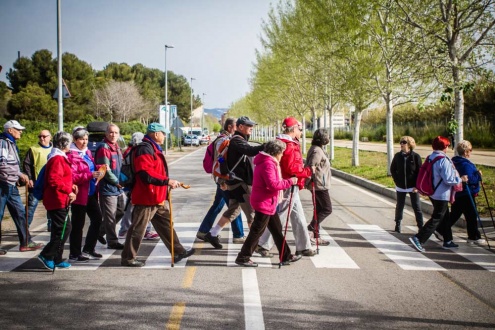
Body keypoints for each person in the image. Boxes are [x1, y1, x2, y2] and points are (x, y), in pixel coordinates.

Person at [121, 123, 195, 267]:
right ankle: (128, 258)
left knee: (166, 225)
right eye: (163, 133)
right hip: (147, 196)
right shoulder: (145, 148)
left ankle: (178, 251)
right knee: (138, 228)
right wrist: (167, 181)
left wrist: (166, 184)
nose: (165, 136)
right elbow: (145, 174)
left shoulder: (152, 147)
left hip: (156, 196)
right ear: (156, 134)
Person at [235, 140, 301, 267]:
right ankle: (243, 257)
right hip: (263, 202)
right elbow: (273, 185)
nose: (282, 156)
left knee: (276, 231)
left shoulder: (268, 161)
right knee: (257, 231)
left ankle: (286, 255)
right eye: (281, 153)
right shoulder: (268, 164)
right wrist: (290, 182)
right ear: (276, 152)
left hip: (267, 202)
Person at [257, 117, 315, 257]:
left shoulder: (283, 142)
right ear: (294, 129)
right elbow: (291, 168)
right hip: (288, 183)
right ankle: (263, 244)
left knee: (298, 215)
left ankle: (304, 246)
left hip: (287, 183)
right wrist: (308, 171)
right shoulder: (289, 145)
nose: (301, 132)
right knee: (282, 215)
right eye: (300, 129)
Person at [203, 116, 264, 249]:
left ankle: (212, 234)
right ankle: (256, 245)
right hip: (241, 184)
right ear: (240, 127)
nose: (251, 128)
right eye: (249, 126)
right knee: (252, 214)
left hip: (234, 182)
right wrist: (266, 146)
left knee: (233, 211)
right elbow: (250, 151)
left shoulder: (237, 140)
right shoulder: (237, 141)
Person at [409, 136, 468, 253]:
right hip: (441, 194)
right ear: (444, 146)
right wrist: (461, 179)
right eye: (447, 145)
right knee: (437, 218)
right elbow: (449, 179)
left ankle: (448, 241)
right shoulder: (443, 160)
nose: (448, 147)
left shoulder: (431, 157)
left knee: (445, 217)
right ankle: (419, 238)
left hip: (433, 193)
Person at [196, 118, 244, 243]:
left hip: (220, 178)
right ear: (229, 127)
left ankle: (203, 230)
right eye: (237, 127)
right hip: (223, 179)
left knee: (218, 205)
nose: (239, 129)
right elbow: (221, 160)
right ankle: (238, 235)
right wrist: (224, 178)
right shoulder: (224, 140)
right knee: (234, 206)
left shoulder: (223, 139)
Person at [0, 120, 44, 254]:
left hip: (11, 184)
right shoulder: (3, 143)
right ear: (9, 130)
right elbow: (2, 164)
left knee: (20, 213)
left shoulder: (11, 143)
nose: (21, 131)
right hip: (2, 184)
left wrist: (17, 176)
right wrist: (20, 174)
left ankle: (26, 242)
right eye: (18, 129)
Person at [37, 131, 77, 270]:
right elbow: (54, 180)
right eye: (70, 142)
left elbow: (61, 178)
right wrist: (69, 190)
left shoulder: (58, 157)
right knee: (63, 229)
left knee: (61, 228)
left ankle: (57, 258)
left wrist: (70, 186)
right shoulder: (57, 158)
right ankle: (47, 254)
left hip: (60, 199)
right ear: (65, 144)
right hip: (57, 199)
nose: (71, 145)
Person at [67, 127, 105, 262]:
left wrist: (100, 170)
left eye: (86, 139)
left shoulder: (87, 152)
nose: (84, 142)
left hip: (91, 192)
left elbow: (92, 168)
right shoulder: (71, 154)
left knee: (97, 219)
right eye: (81, 139)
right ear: (75, 140)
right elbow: (72, 177)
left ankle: (89, 248)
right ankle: (74, 253)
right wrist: (90, 175)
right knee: (78, 224)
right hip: (79, 195)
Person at [118, 132, 159, 241]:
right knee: (138, 209)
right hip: (133, 184)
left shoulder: (129, 150)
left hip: (129, 184)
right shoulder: (137, 151)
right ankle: (131, 230)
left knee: (132, 209)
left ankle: (127, 230)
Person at [95, 123, 126, 250]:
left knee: (120, 211)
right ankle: (112, 241)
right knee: (110, 216)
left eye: (116, 133)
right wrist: (116, 182)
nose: (113, 135)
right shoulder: (104, 148)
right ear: (106, 134)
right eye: (111, 132)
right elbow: (105, 170)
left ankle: (99, 232)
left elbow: (120, 166)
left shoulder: (116, 147)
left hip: (117, 187)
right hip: (108, 187)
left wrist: (124, 181)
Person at [449, 140, 484, 245]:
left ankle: (441, 229)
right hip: (467, 193)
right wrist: (478, 175)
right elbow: (470, 179)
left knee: (455, 214)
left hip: (458, 192)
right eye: (470, 150)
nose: (471, 152)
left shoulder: (455, 161)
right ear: (465, 152)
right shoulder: (465, 164)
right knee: (471, 215)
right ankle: (473, 237)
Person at [390, 136, 423, 233]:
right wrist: (397, 181)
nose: (401, 144)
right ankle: (398, 224)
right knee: (400, 205)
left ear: (409, 144)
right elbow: (393, 169)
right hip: (401, 186)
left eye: (404, 142)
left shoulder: (416, 157)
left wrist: (417, 186)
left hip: (413, 187)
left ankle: (420, 226)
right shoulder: (397, 156)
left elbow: (420, 172)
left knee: (416, 206)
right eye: (400, 142)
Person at [304, 128, 332, 246]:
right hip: (319, 184)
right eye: (328, 137)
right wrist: (309, 181)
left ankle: (316, 235)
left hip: (320, 183)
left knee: (319, 210)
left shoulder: (317, 149)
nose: (329, 138)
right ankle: (310, 228)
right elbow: (311, 166)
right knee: (327, 209)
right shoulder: (317, 151)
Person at [23, 129, 52, 230]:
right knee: (31, 206)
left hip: (50, 183)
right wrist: (30, 178)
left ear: (50, 137)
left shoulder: (54, 149)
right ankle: (24, 227)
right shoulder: (33, 149)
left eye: (44, 136)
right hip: (36, 183)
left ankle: (51, 225)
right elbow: (26, 164)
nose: (42, 138)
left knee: (51, 206)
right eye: (40, 137)